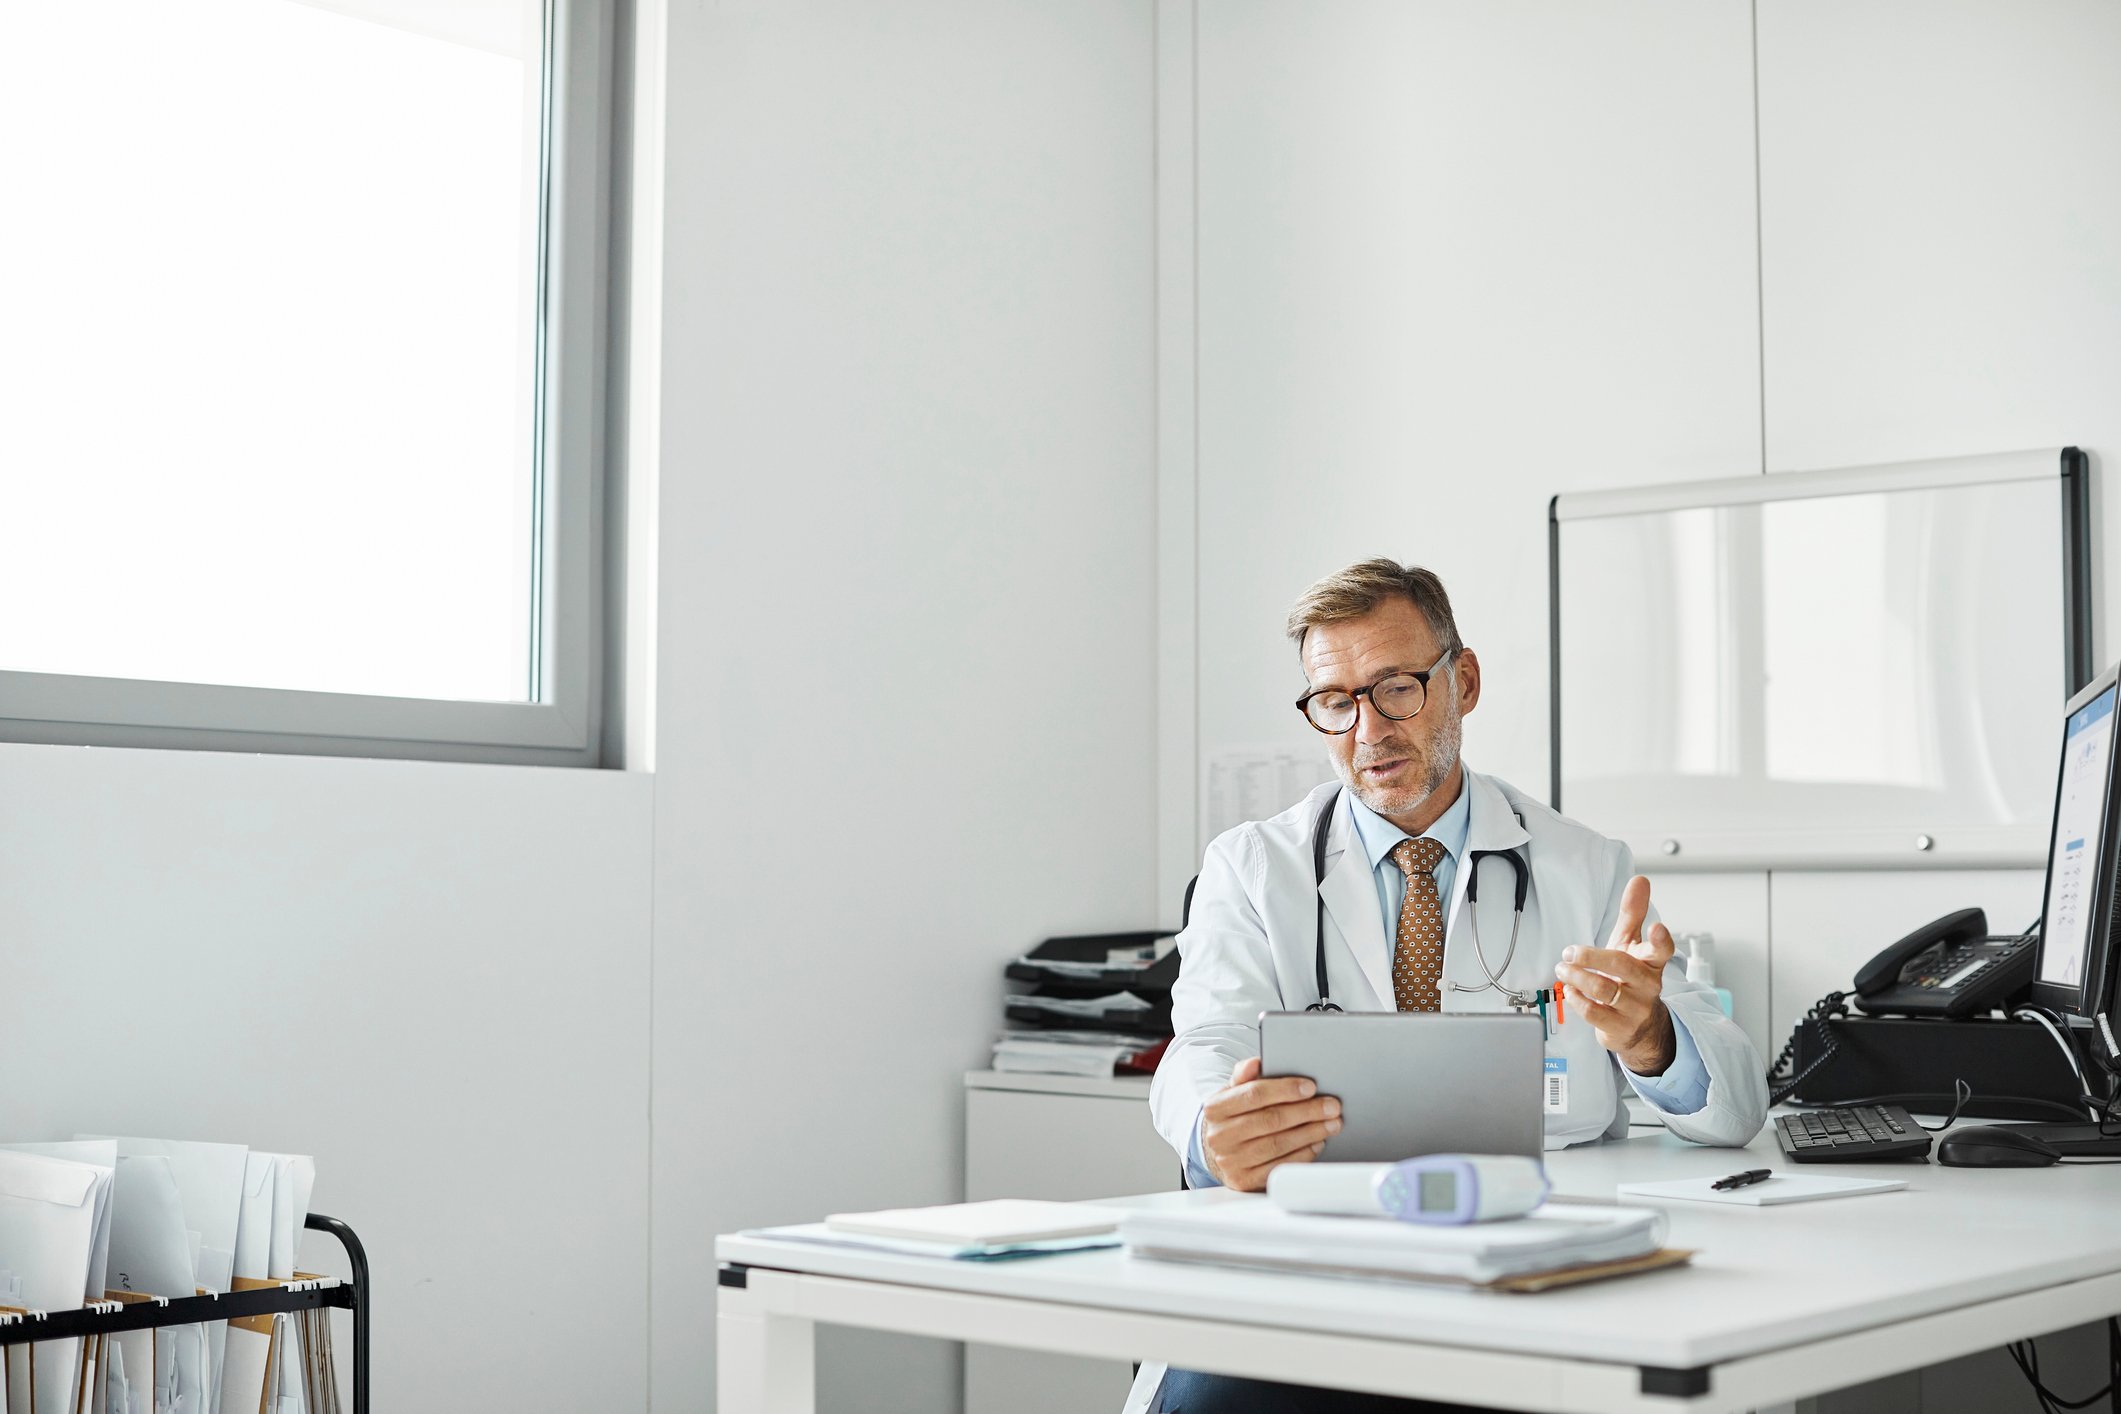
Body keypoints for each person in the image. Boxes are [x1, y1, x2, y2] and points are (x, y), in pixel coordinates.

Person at [1147, 558, 1768, 1414]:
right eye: (1335, 700)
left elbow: (1734, 1110)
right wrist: (1217, 1132)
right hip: (1321, 1247)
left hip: (1527, 1250)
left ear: (1462, 681)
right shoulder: (1254, 867)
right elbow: (1204, 1047)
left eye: (1396, 688)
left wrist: (1650, 1035)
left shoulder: (1581, 865)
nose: (1367, 730)